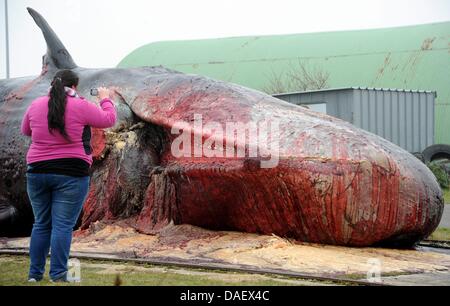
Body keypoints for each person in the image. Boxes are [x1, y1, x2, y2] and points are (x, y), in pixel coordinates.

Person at [21, 69, 117, 282]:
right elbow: (109, 119)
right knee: (62, 225)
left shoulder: (36, 105)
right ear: (74, 86)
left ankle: (34, 275)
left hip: (37, 172)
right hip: (71, 175)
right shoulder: (81, 105)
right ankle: (58, 274)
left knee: (41, 223)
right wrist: (105, 99)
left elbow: (26, 130)